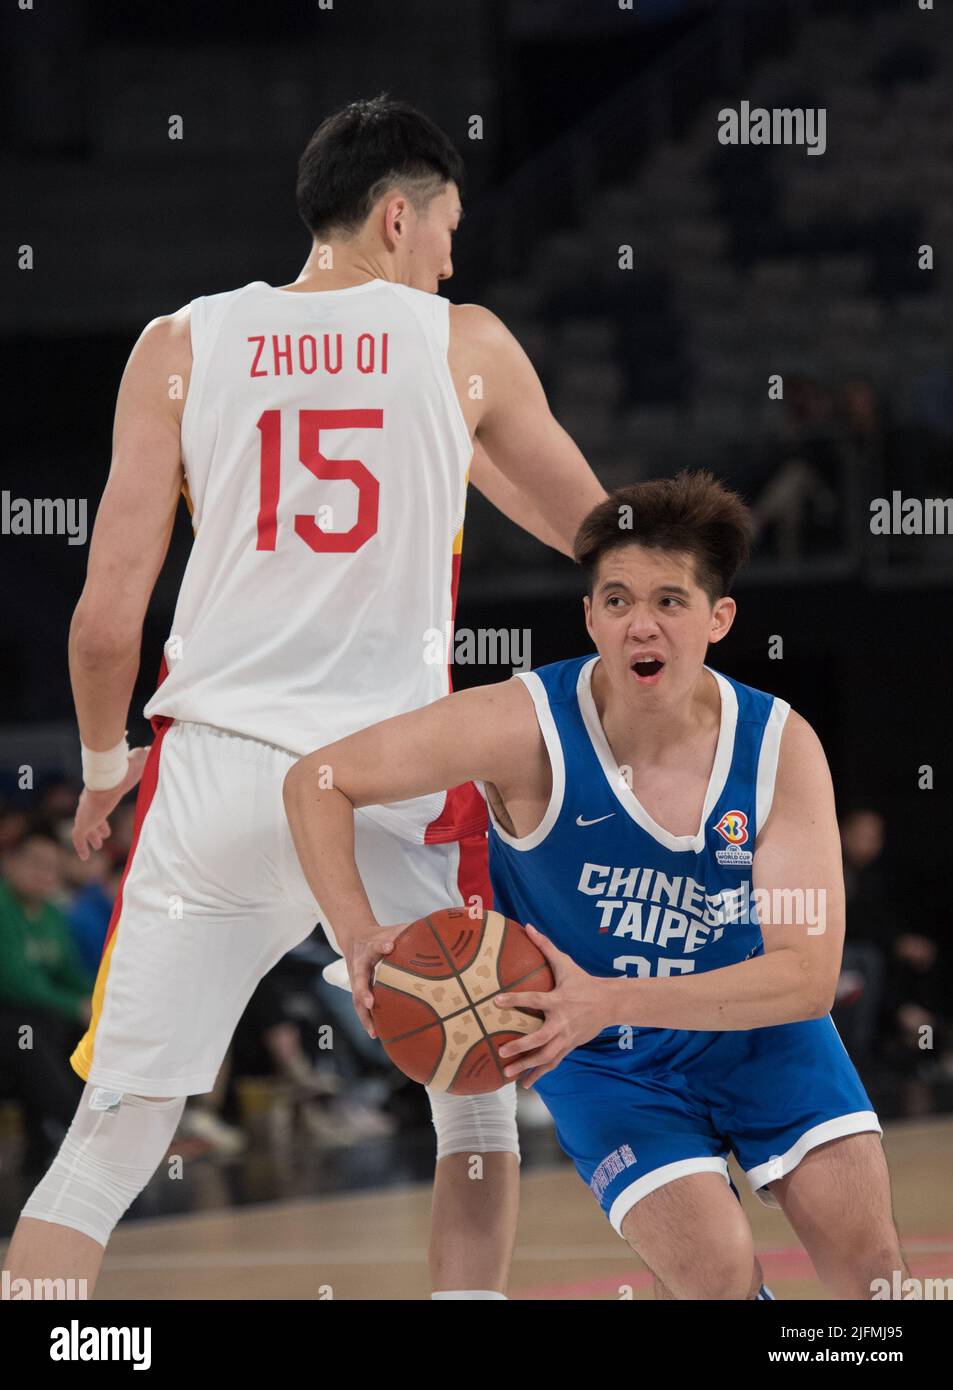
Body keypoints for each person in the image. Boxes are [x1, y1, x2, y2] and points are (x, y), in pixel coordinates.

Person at [2, 95, 605, 1301]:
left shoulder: (177, 345)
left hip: (216, 769)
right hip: (388, 777)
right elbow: (598, 536)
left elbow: (105, 619)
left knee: (112, 1132)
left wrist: (107, 763)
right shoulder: (463, 344)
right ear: (396, 218)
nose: (450, 255)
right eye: (445, 230)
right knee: (470, 1098)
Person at [283, 471, 908, 1299]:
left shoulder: (777, 748)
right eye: (614, 601)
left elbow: (804, 977)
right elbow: (318, 781)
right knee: (714, 1276)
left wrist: (608, 997)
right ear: (588, 616)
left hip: (752, 1029)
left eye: (668, 602)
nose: (638, 624)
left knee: (874, 1281)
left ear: (717, 619)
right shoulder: (522, 725)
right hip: (604, 1060)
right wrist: (356, 931)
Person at [0, 821, 92, 1172]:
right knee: (31, 1034)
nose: (45, 874)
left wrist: (98, 1005)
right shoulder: (3, 908)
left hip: (44, 1017)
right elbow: (15, 983)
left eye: (53, 867)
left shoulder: (53, 914)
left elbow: (69, 973)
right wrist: (75, 1006)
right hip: (9, 1016)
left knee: (87, 1031)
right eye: (36, 863)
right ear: (11, 861)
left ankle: (109, 1129)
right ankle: (75, 1135)